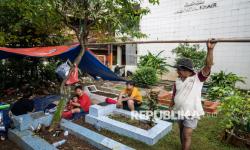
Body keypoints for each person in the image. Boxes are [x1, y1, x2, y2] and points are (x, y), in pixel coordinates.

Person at [170, 39, 216, 150]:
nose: (177, 71)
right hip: (179, 110)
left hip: (192, 112)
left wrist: (210, 50)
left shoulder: (198, 78)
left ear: (187, 70)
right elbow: (175, 94)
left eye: (179, 69)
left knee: (186, 134)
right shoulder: (178, 80)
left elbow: (208, 66)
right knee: (181, 131)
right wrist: (170, 105)